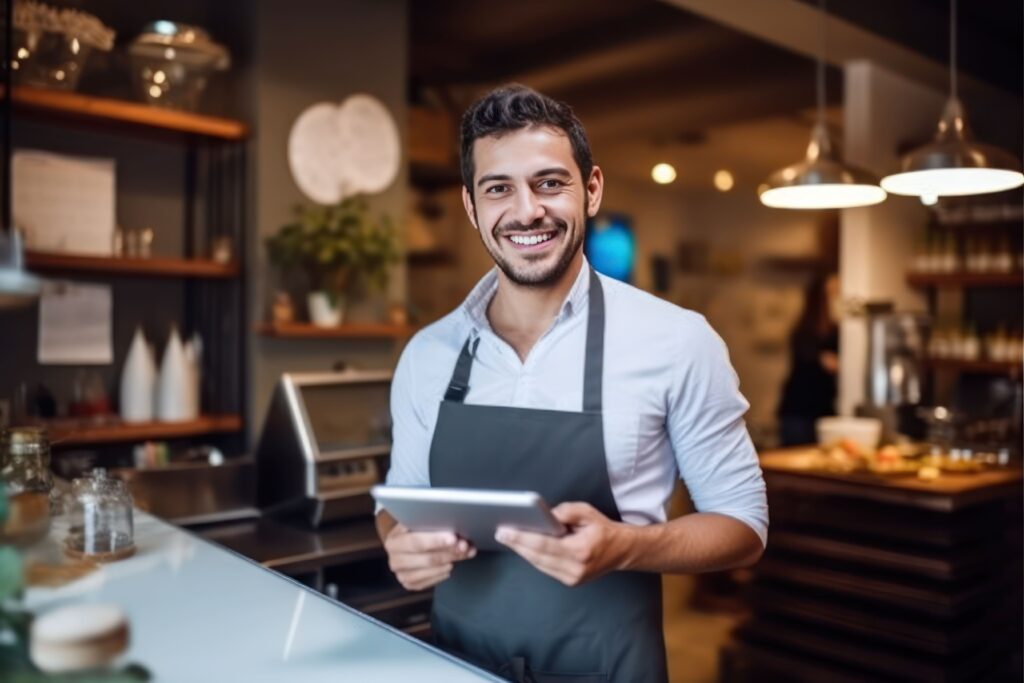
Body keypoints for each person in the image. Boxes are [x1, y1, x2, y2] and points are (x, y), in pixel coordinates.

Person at [376, 85, 767, 683]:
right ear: (470, 205)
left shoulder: (678, 340)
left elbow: (743, 526)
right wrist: (398, 543)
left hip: (609, 666)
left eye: (550, 183)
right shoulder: (428, 354)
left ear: (591, 190)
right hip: (459, 663)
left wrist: (627, 547)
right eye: (498, 188)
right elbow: (400, 498)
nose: (526, 210)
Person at [777, 273, 840, 446]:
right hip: (800, 412)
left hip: (824, 410)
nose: (838, 298)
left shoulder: (838, 331)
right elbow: (822, 361)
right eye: (834, 293)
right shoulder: (805, 332)